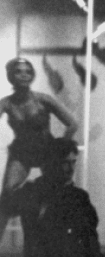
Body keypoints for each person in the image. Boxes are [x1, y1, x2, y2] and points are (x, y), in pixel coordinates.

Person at [1, 56, 79, 217]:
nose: (24, 75)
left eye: (28, 72)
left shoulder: (43, 99)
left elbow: (72, 124)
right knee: (7, 194)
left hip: (47, 152)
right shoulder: (6, 103)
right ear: (11, 76)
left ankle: (59, 231)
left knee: (57, 195)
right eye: (18, 72)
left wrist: (62, 148)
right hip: (22, 154)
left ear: (32, 76)